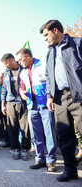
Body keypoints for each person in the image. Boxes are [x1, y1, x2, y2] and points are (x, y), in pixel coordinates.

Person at [40, 20, 82, 182]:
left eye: (46, 35)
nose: (45, 39)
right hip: (59, 98)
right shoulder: (50, 52)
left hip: (78, 95)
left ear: (55, 30)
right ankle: (70, 170)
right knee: (64, 135)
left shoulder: (77, 44)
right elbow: (49, 75)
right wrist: (50, 96)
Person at [17, 48, 57, 172]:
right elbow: (21, 86)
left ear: (27, 56)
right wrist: (22, 93)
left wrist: (50, 97)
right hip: (31, 105)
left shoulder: (42, 65)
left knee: (49, 132)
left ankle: (51, 160)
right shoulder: (23, 72)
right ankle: (40, 158)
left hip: (44, 103)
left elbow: (51, 81)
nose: (19, 63)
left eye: (20, 60)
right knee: (35, 133)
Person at [1, 53, 30, 161]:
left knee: (24, 127)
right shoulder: (6, 73)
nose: (6, 66)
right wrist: (3, 104)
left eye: (6, 63)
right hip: (10, 102)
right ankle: (15, 149)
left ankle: (25, 149)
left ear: (12, 60)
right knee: (11, 127)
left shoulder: (23, 68)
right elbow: (4, 89)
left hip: (22, 102)